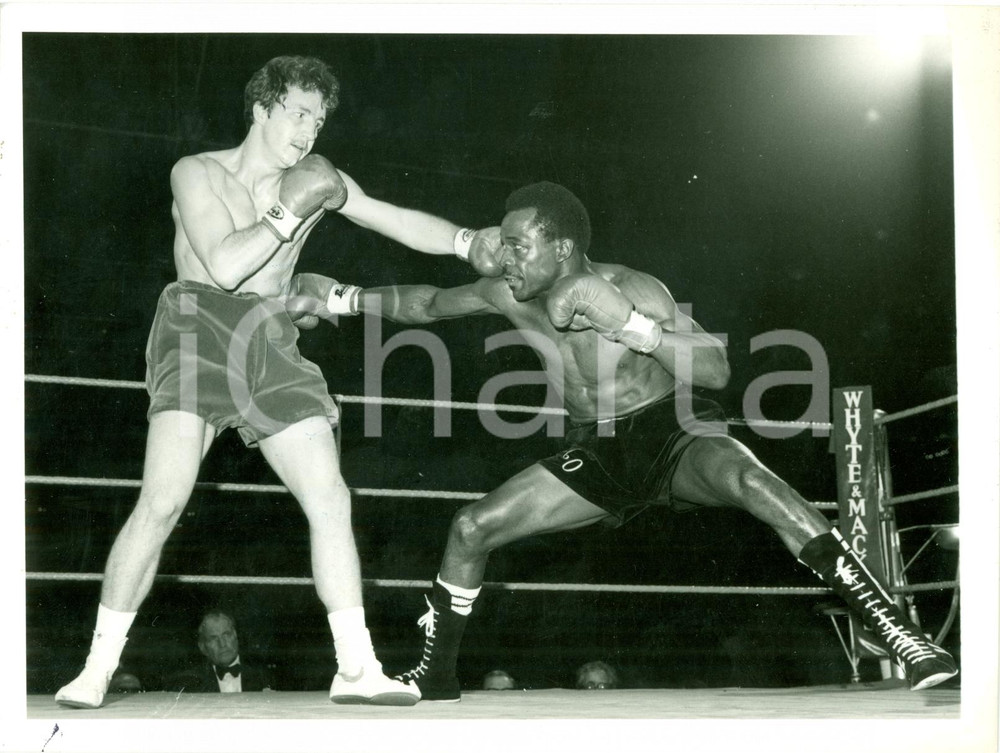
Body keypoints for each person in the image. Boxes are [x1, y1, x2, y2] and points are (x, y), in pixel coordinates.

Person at [291, 181, 958, 702]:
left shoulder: (636, 287)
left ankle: (893, 624)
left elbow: (718, 369)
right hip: (597, 450)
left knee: (757, 482)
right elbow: (427, 305)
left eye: (518, 243)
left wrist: (634, 327)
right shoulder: (508, 292)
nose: (502, 252)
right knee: (471, 526)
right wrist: (343, 298)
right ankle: (436, 672)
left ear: (562, 247)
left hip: (673, 431)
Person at [54, 54, 502, 710]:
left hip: (271, 335)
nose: (309, 132)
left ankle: (356, 665)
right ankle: (96, 668)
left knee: (330, 495)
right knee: (164, 501)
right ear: (262, 107)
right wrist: (288, 214)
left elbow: (392, 216)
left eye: (319, 120)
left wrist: (468, 241)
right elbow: (228, 265)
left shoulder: (315, 176)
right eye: (298, 113)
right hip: (199, 324)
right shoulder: (196, 172)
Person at [165, 610, 273, 693]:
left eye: (226, 635)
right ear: (203, 647)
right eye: (213, 638)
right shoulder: (189, 684)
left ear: (235, 635)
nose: (222, 644)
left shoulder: (266, 675)